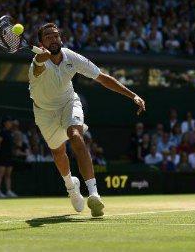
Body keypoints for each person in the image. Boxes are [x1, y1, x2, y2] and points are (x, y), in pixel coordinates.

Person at [28, 23, 146, 217]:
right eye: (48, 37)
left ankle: (94, 194)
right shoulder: (37, 63)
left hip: (68, 103)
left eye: (56, 36)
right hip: (44, 113)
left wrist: (132, 95)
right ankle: (71, 188)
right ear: (41, 43)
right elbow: (38, 69)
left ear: (61, 39)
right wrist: (40, 60)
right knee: (58, 153)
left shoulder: (71, 57)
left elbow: (102, 78)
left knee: (75, 135)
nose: (53, 39)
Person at [0, 116, 18, 198]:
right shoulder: (2, 132)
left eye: (11, 122)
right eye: (9, 122)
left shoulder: (10, 132)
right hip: (2, 156)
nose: (11, 123)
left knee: (8, 175)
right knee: (0, 174)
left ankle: (8, 191)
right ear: (5, 123)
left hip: (9, 156)